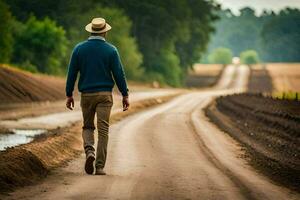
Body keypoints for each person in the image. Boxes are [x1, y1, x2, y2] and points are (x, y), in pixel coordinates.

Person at [65, 17, 130, 175]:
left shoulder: (79, 49)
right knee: (103, 131)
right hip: (104, 96)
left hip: (86, 95)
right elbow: (118, 74)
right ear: (105, 32)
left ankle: (90, 152)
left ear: (91, 30)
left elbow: (72, 73)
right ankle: (99, 166)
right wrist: (125, 94)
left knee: (88, 127)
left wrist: (69, 94)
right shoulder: (111, 50)